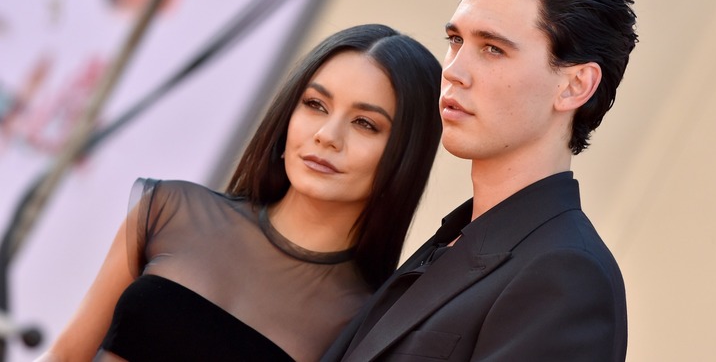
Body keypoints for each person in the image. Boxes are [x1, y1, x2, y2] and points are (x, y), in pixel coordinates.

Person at [322, 0, 639, 361]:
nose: (453, 69)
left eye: (492, 49)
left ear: (574, 86)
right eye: (456, 40)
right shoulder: (454, 242)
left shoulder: (566, 275)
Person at [36, 24, 443, 362]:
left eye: (365, 124)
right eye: (316, 105)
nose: (326, 136)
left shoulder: (365, 320)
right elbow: (66, 356)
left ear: (405, 154)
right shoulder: (167, 213)